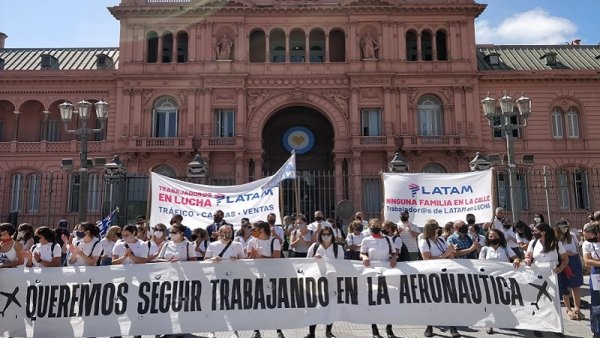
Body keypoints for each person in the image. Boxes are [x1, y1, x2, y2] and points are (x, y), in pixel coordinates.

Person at [524, 222, 569, 338]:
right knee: (538, 301)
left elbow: (565, 259)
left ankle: (556, 327)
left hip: (552, 276)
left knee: (553, 301)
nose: (533, 233)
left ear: (543, 232)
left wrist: (560, 268)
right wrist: (528, 260)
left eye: (535, 231)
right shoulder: (533, 243)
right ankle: (538, 326)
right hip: (537, 276)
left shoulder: (556, 243)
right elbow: (528, 256)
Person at [418, 219, 459, 337]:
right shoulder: (424, 242)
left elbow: (451, 256)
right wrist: (445, 255)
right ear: (432, 230)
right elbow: (427, 259)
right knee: (432, 301)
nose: (439, 230)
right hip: (432, 275)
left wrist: (450, 251)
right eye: (437, 228)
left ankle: (452, 327)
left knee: (448, 300)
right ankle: (429, 326)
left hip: (445, 273)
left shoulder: (441, 240)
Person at [360, 219, 398, 338]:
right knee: (374, 301)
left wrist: (393, 258)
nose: (375, 227)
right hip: (372, 274)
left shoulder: (388, 239)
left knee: (389, 300)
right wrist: (364, 257)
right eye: (373, 226)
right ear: (370, 227)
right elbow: (362, 253)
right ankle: (374, 329)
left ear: (381, 226)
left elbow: (394, 253)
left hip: (387, 272)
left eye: (377, 225)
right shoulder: (366, 240)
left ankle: (389, 329)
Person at [478, 228, 521, 334]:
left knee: (505, 301)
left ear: (499, 237)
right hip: (489, 280)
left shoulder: (505, 248)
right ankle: (490, 324)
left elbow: (515, 257)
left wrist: (516, 260)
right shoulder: (485, 249)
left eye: (495, 236)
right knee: (491, 302)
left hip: (503, 280)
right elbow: (480, 263)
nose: (493, 238)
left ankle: (508, 322)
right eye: (490, 236)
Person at [247, 221, 285, 338]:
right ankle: (256, 330)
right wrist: (252, 255)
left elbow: (276, 258)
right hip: (256, 277)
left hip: (271, 277)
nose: (251, 231)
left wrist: (260, 256)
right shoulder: (252, 241)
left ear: (262, 229)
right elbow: (248, 258)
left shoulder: (274, 241)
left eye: (253, 229)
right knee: (257, 304)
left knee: (273, 304)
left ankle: (278, 330)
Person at [304, 228, 343, 338]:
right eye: (323, 234)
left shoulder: (338, 248)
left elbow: (342, 264)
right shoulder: (315, 247)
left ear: (332, 235)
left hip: (332, 281)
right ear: (320, 236)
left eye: (328, 234)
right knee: (314, 305)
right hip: (316, 280)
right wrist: (314, 259)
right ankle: (311, 332)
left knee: (330, 306)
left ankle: (328, 331)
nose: (326, 236)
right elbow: (306, 262)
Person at [555, 218, 585, 321]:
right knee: (565, 286)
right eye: (562, 227)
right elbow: (557, 251)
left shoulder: (572, 236)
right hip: (563, 261)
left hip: (574, 260)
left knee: (576, 285)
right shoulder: (555, 238)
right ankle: (568, 308)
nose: (565, 229)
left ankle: (577, 307)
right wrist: (566, 253)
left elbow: (576, 248)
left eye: (566, 227)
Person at [581, 222, 600, 338]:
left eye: (589, 236)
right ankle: (597, 330)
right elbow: (587, 261)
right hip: (596, 274)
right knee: (596, 302)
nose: (588, 239)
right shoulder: (586, 244)